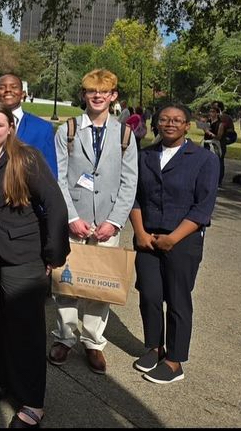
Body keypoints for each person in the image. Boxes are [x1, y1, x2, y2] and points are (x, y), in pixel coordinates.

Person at [0, 101, 69, 428]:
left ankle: (31, 401)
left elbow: (54, 203)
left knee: (24, 329)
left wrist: (54, 253)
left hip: (23, 254)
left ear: (10, 128)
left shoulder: (24, 158)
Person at [50, 69, 138, 375]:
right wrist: (71, 216)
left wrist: (115, 222)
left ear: (113, 96)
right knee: (67, 282)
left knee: (101, 284)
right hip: (75, 219)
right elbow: (59, 177)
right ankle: (64, 336)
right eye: (91, 91)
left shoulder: (125, 134)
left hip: (106, 223)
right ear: (84, 95)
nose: (97, 96)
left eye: (103, 92)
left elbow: (130, 182)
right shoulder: (69, 130)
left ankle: (92, 341)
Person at [129, 104, 219, 384]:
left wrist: (173, 238)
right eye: (164, 119)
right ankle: (154, 347)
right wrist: (141, 232)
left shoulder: (204, 159)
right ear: (156, 124)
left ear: (186, 125)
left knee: (178, 299)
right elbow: (134, 196)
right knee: (150, 295)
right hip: (147, 238)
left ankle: (174, 360)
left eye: (177, 120)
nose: (170, 124)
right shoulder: (144, 156)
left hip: (182, 239)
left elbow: (203, 208)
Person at [0, 73, 57, 176]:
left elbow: (50, 171)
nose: (8, 90)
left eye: (14, 87)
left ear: (23, 94)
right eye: (2, 87)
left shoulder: (42, 128)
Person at [202, 104, 228, 186]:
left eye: (213, 111)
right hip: (206, 143)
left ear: (217, 113)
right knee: (205, 162)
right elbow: (195, 115)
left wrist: (209, 132)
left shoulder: (220, 124)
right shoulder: (208, 121)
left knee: (217, 162)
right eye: (210, 111)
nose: (211, 113)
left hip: (215, 144)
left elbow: (218, 137)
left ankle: (218, 180)